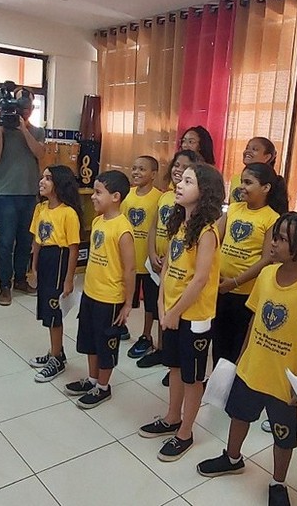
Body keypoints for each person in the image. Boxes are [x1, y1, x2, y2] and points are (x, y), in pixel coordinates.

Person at [197, 212, 297, 506]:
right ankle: (232, 457)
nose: (274, 243)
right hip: (251, 368)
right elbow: (254, 320)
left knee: (284, 436)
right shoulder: (267, 274)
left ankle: (278, 482)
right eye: (276, 236)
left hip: (285, 380)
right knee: (239, 415)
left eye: (282, 239)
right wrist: (241, 357)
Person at [138, 163, 224, 461]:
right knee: (174, 367)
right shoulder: (180, 226)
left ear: (205, 192)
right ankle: (172, 417)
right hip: (172, 310)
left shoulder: (207, 232)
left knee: (192, 376)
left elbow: (200, 279)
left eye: (189, 181)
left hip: (194, 316)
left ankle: (186, 431)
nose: (180, 184)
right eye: (181, 179)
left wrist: (175, 312)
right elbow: (169, 269)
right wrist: (163, 304)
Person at [64, 171, 135, 409]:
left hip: (110, 298)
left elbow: (130, 270)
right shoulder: (98, 221)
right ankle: (92, 379)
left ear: (116, 196)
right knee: (90, 340)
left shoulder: (123, 229)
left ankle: (103, 387)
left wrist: (127, 303)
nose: (93, 197)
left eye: (98, 192)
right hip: (91, 293)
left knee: (106, 344)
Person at [214, 162, 287, 365]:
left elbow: (267, 259)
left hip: (245, 293)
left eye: (248, 182)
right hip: (219, 287)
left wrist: (235, 282)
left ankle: (231, 387)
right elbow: (215, 241)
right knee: (219, 342)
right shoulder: (233, 209)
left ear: (265, 188)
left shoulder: (272, 218)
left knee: (238, 347)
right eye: (241, 182)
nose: (242, 187)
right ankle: (216, 387)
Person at [137, 150, 200, 372]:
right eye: (176, 165)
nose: (177, 170)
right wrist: (152, 253)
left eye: (184, 167)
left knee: (176, 316)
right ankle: (161, 350)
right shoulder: (165, 196)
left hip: (176, 267)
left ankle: (175, 362)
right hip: (157, 263)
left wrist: (169, 262)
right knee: (157, 307)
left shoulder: (189, 202)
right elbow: (154, 226)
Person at [0, 86, 45, 306]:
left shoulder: (37, 131)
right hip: (5, 195)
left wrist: (23, 128)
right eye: (21, 107)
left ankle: (20, 279)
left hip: (30, 194)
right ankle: (4, 286)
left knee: (25, 241)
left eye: (28, 107)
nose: (24, 111)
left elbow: (40, 153)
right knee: (4, 242)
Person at [27, 165, 82, 383]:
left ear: (60, 184)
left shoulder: (68, 213)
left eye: (48, 178)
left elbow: (73, 248)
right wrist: (34, 267)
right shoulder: (40, 208)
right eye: (42, 177)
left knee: (54, 311)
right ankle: (55, 350)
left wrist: (69, 279)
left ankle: (57, 358)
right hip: (45, 261)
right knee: (46, 311)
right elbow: (37, 241)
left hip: (59, 261)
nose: (42, 181)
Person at [122, 156, 163, 359]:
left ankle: (146, 336)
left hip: (147, 261)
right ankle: (121, 325)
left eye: (142, 169)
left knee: (150, 301)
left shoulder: (159, 198)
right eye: (134, 168)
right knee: (123, 294)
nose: (137, 172)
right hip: (128, 259)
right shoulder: (127, 195)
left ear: (154, 174)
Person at [230, 137, 278, 203]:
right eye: (247, 148)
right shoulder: (235, 178)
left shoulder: (272, 182)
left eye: (254, 149)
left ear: (267, 157)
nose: (248, 151)